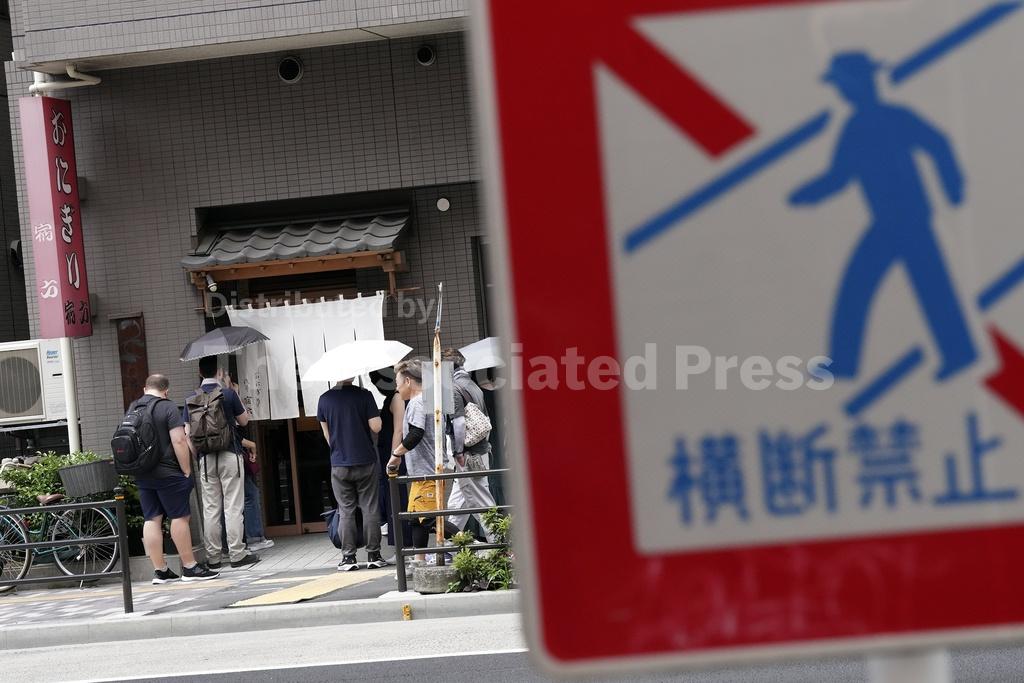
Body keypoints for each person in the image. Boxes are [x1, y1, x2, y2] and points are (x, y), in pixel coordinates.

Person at [789, 51, 976, 382]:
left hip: (906, 219)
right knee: (919, 286)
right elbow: (840, 176)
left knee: (868, 287)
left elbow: (939, 143)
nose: (840, 91)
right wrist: (807, 194)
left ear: (861, 82)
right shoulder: (857, 126)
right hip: (896, 220)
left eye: (842, 83)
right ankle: (957, 353)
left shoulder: (893, 118)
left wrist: (954, 187)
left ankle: (846, 363)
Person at [131, 374, 219, 584]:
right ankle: (189, 567)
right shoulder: (167, 407)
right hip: (168, 472)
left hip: (143, 472)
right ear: (166, 390)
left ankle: (160, 571)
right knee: (179, 517)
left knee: (152, 518)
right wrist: (186, 469)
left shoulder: (133, 407)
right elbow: (179, 440)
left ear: (145, 389)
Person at [184, 357, 260, 569]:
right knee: (233, 506)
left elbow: (188, 434)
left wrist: (199, 456)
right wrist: (233, 392)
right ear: (218, 372)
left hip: (206, 460)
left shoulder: (191, 398)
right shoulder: (227, 394)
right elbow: (244, 421)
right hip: (230, 454)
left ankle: (214, 557)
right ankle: (237, 554)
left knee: (211, 509)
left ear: (200, 372)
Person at [317, 376, 387, 571]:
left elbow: (327, 435)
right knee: (370, 507)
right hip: (365, 460)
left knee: (346, 509)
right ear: (353, 375)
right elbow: (376, 426)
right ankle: (374, 555)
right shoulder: (365, 396)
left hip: (339, 463)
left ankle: (349, 558)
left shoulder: (324, 399)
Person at [388, 359, 441, 562]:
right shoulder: (422, 400)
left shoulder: (418, 402)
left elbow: (416, 433)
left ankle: (471, 544)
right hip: (421, 472)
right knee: (417, 520)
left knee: (430, 521)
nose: (396, 387)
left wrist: (396, 454)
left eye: (397, 382)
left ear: (408, 381)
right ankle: (419, 563)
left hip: (426, 471)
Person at [443, 349, 498, 541]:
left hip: (467, 454)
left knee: (481, 501)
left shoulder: (454, 388)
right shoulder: (473, 385)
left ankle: (499, 545)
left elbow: (458, 423)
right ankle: (450, 545)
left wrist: (458, 451)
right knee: (458, 504)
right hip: (480, 451)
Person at [369, 369, 407, 545]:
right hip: (387, 454)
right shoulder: (390, 398)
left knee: (397, 499)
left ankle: (403, 546)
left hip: (393, 455)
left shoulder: (397, 398)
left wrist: (394, 456)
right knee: (392, 498)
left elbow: (398, 430)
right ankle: (399, 545)